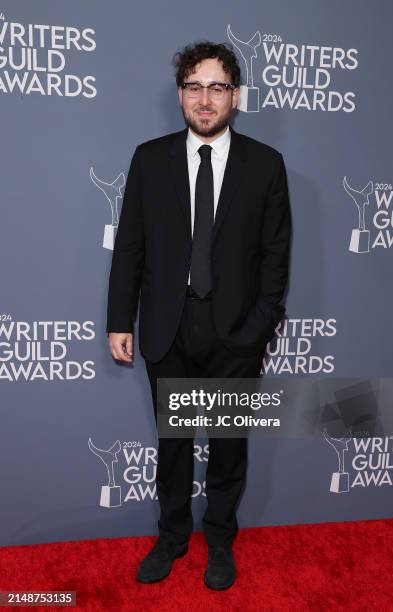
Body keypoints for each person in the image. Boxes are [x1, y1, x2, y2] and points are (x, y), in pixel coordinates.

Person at [106, 41, 291, 590]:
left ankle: (219, 540)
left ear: (235, 95)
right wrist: (121, 320)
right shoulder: (149, 158)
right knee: (175, 445)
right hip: (169, 327)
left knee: (229, 448)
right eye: (194, 87)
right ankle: (171, 537)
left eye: (216, 87)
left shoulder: (265, 165)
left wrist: (258, 328)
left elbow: (276, 256)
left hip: (236, 332)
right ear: (181, 94)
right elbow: (131, 248)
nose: (204, 99)